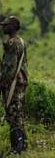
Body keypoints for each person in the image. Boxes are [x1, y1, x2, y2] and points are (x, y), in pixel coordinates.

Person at [0, 16, 28, 154]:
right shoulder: (21, 41)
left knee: (13, 114)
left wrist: (2, 82)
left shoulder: (11, 43)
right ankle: (23, 144)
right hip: (20, 83)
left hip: (12, 85)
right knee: (18, 113)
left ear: (12, 27)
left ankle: (17, 147)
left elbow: (9, 69)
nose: (3, 27)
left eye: (6, 25)